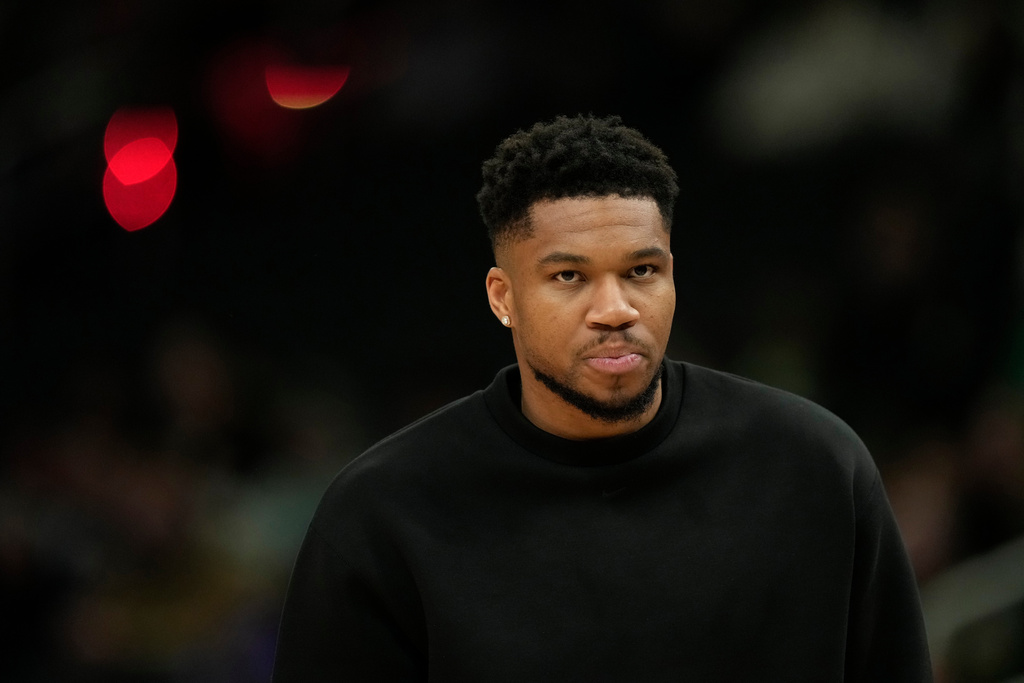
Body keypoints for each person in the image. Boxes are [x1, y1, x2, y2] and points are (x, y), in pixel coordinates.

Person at [272, 114, 933, 682]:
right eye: (569, 276)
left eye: (641, 271)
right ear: (504, 297)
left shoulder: (814, 468)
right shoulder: (384, 515)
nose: (614, 309)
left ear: (673, 273)